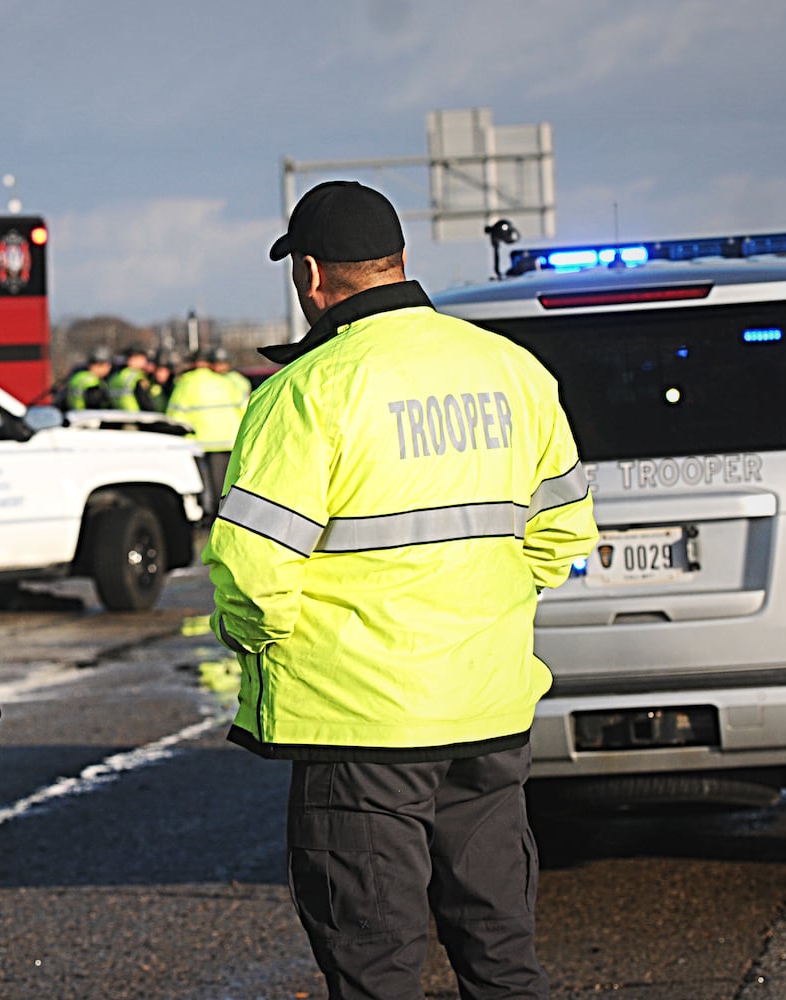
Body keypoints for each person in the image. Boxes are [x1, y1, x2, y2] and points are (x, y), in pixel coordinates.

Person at [203, 180, 597, 1000]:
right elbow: (561, 533)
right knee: (502, 957)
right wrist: (475, 613)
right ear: (399, 262)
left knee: (374, 968)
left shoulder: (307, 391)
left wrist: (270, 640)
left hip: (359, 723)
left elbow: (251, 568)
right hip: (487, 714)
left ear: (310, 275)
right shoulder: (512, 371)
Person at [165, 348, 248, 521]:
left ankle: (212, 518)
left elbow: (174, 417)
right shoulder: (227, 382)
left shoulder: (184, 384)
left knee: (205, 485)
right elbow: (245, 409)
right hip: (229, 441)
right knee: (229, 483)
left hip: (200, 443)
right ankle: (233, 517)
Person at [105, 344, 158, 411]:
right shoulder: (136, 376)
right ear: (134, 358)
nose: (145, 362)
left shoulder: (115, 376)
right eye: (143, 359)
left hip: (116, 416)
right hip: (135, 416)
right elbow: (144, 401)